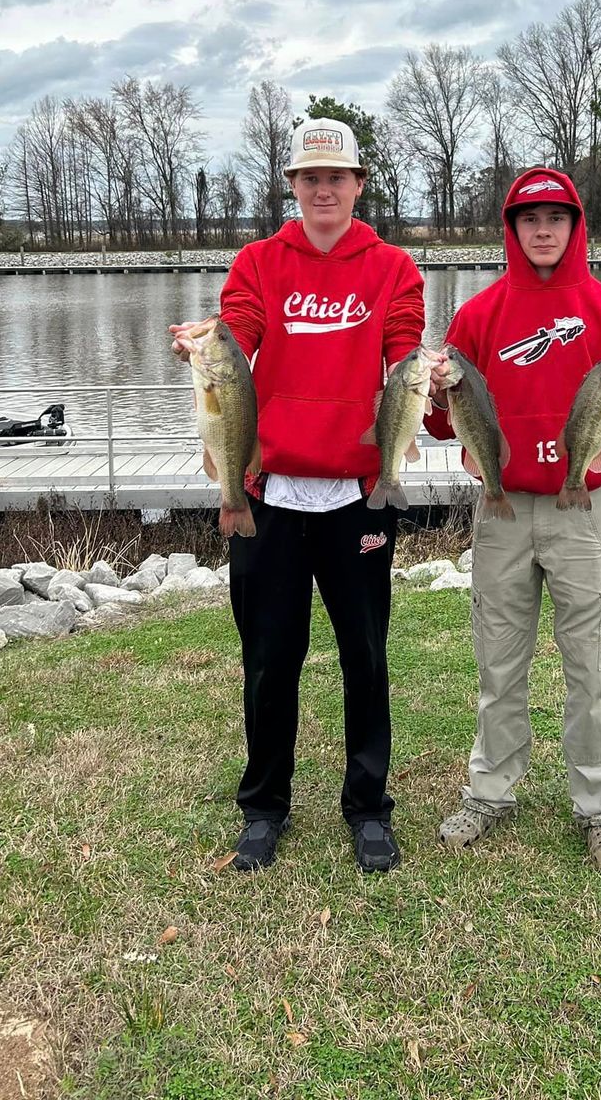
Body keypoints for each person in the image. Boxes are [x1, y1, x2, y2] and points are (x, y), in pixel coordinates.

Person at [170, 119, 424, 873]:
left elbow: (404, 346)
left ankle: (368, 808)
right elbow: (238, 332)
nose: (323, 189)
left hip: (357, 497)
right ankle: (264, 807)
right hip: (266, 496)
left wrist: (426, 376)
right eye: (309, 178)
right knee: (270, 659)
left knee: (365, 658)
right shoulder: (258, 262)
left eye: (336, 177)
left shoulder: (392, 268)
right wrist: (205, 344)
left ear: (358, 184)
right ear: (293, 186)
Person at [423, 168, 601, 871]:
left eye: (555, 217)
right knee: (498, 663)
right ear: (511, 228)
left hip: (583, 508)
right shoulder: (478, 315)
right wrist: (441, 398)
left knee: (592, 668)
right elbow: (447, 427)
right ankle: (490, 792)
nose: (542, 229)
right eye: (529, 217)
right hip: (501, 508)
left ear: (574, 225)